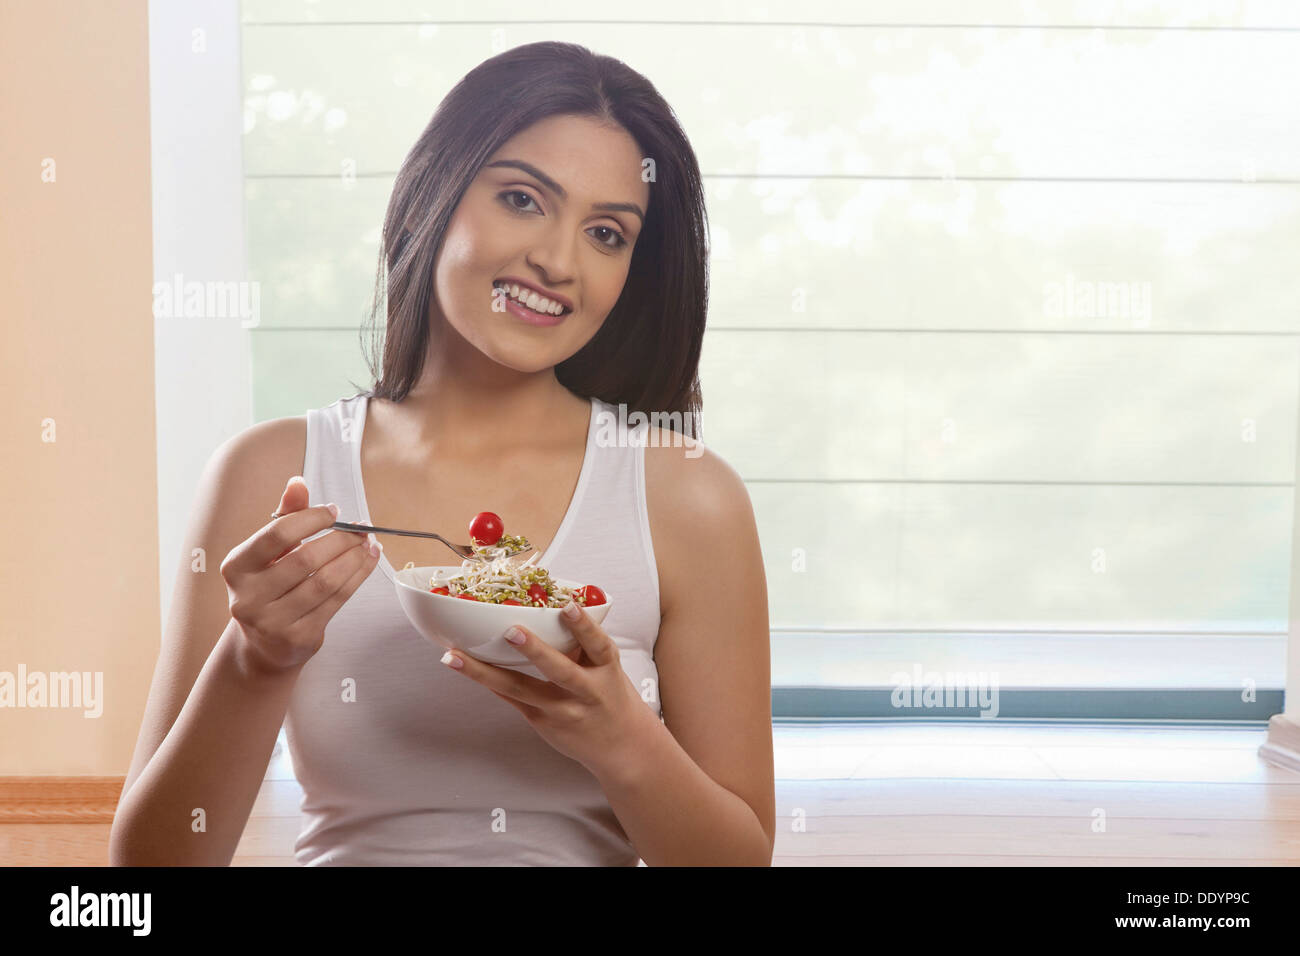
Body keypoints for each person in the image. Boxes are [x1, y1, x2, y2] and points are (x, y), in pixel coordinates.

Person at [110, 41, 774, 866]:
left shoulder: (688, 496)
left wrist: (622, 741)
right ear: (436, 194)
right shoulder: (271, 474)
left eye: (607, 232)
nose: (558, 261)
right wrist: (257, 658)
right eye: (523, 199)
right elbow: (145, 869)